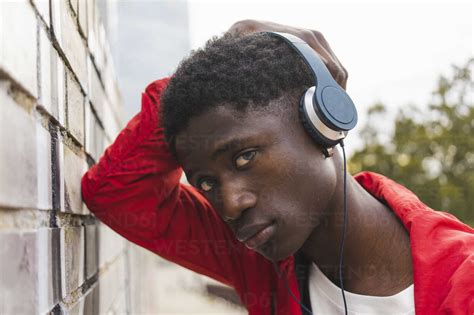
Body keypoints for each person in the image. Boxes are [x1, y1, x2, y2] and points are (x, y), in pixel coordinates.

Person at [81, 20, 474, 314]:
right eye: (206, 183)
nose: (230, 203)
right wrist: (202, 74)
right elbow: (119, 194)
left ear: (322, 126)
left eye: (245, 157)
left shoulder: (463, 283)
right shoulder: (262, 261)